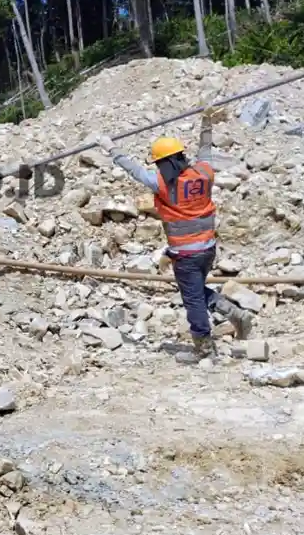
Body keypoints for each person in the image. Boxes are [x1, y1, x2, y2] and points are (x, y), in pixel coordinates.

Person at [91, 106, 254, 364]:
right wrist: (206, 123)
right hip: (208, 249)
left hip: (186, 254)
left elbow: (134, 170)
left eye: (159, 163)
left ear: (165, 163)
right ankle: (235, 314)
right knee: (196, 291)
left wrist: (111, 149)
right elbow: (205, 151)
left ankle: (204, 350)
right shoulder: (204, 173)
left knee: (193, 300)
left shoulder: (163, 184)